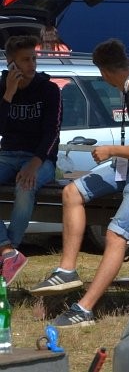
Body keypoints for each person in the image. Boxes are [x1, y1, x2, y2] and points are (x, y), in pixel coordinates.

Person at [30, 39, 129, 328]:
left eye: (101, 73)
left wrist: (111, 150)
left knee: (116, 234)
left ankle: (84, 310)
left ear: (106, 71)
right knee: (72, 192)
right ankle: (67, 270)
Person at [0, 36, 60, 284]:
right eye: (25, 60)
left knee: (25, 186)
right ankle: (7, 251)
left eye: (34, 58)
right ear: (11, 63)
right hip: (7, 154)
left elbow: (52, 132)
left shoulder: (49, 89)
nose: (32, 64)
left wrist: (35, 164)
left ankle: (10, 251)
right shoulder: (2, 87)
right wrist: (8, 94)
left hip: (40, 158)